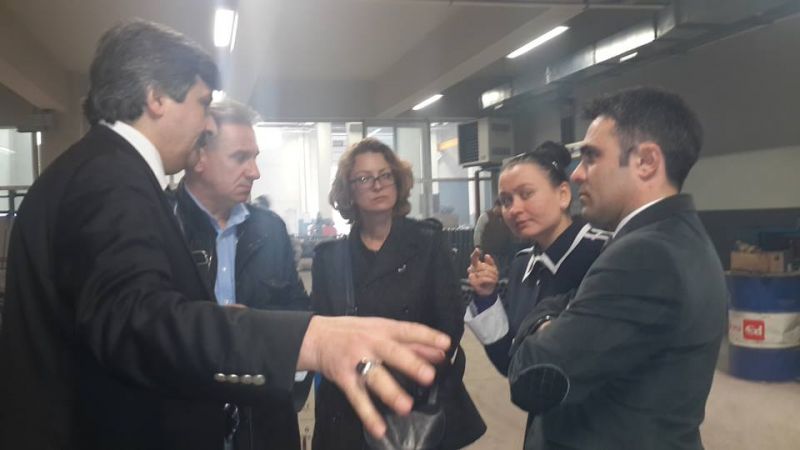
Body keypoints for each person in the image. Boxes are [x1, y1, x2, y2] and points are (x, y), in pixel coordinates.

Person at [0, 20, 451, 450]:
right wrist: (309, 339)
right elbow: (138, 322)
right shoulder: (111, 178)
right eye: (202, 104)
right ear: (156, 98)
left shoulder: (97, 169)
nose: (205, 125)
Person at [507, 87, 728, 450]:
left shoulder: (645, 256)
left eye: (591, 157)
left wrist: (541, 317)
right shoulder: (676, 236)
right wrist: (559, 314)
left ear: (646, 162)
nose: (577, 175)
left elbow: (532, 378)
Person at [311, 138, 485, 450]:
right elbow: (323, 335)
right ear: (349, 190)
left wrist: (402, 369)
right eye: (364, 178)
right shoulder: (330, 260)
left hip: (412, 400)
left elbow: (449, 325)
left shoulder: (428, 243)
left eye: (385, 175)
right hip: (351, 402)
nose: (377, 185)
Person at [173, 99, 311, 449]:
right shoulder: (161, 223)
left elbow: (297, 311)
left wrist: (256, 328)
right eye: (240, 158)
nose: (255, 172)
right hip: (183, 420)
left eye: (255, 157)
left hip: (262, 423)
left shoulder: (270, 229)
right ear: (199, 157)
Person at [465, 141, 609, 375]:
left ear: (563, 195)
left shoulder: (602, 253)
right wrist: (486, 297)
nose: (514, 209)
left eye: (526, 194)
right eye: (506, 201)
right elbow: (512, 363)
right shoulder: (523, 266)